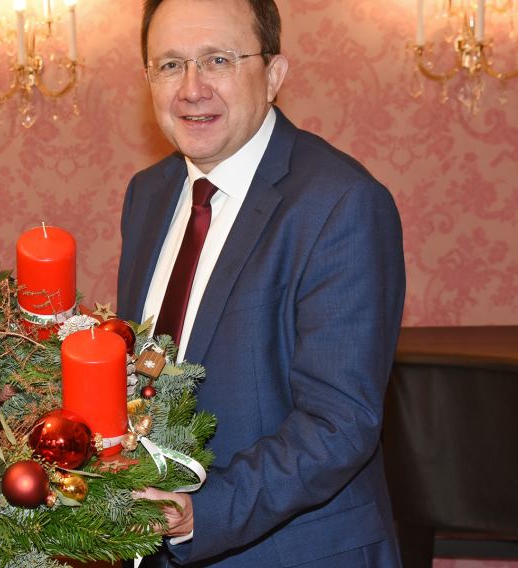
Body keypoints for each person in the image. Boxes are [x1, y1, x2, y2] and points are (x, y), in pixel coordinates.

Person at [119, 0, 405, 566]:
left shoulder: (340, 202)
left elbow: (339, 423)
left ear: (274, 75)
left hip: (296, 551)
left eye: (218, 60)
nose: (192, 89)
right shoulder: (148, 194)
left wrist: (203, 510)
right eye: (170, 65)